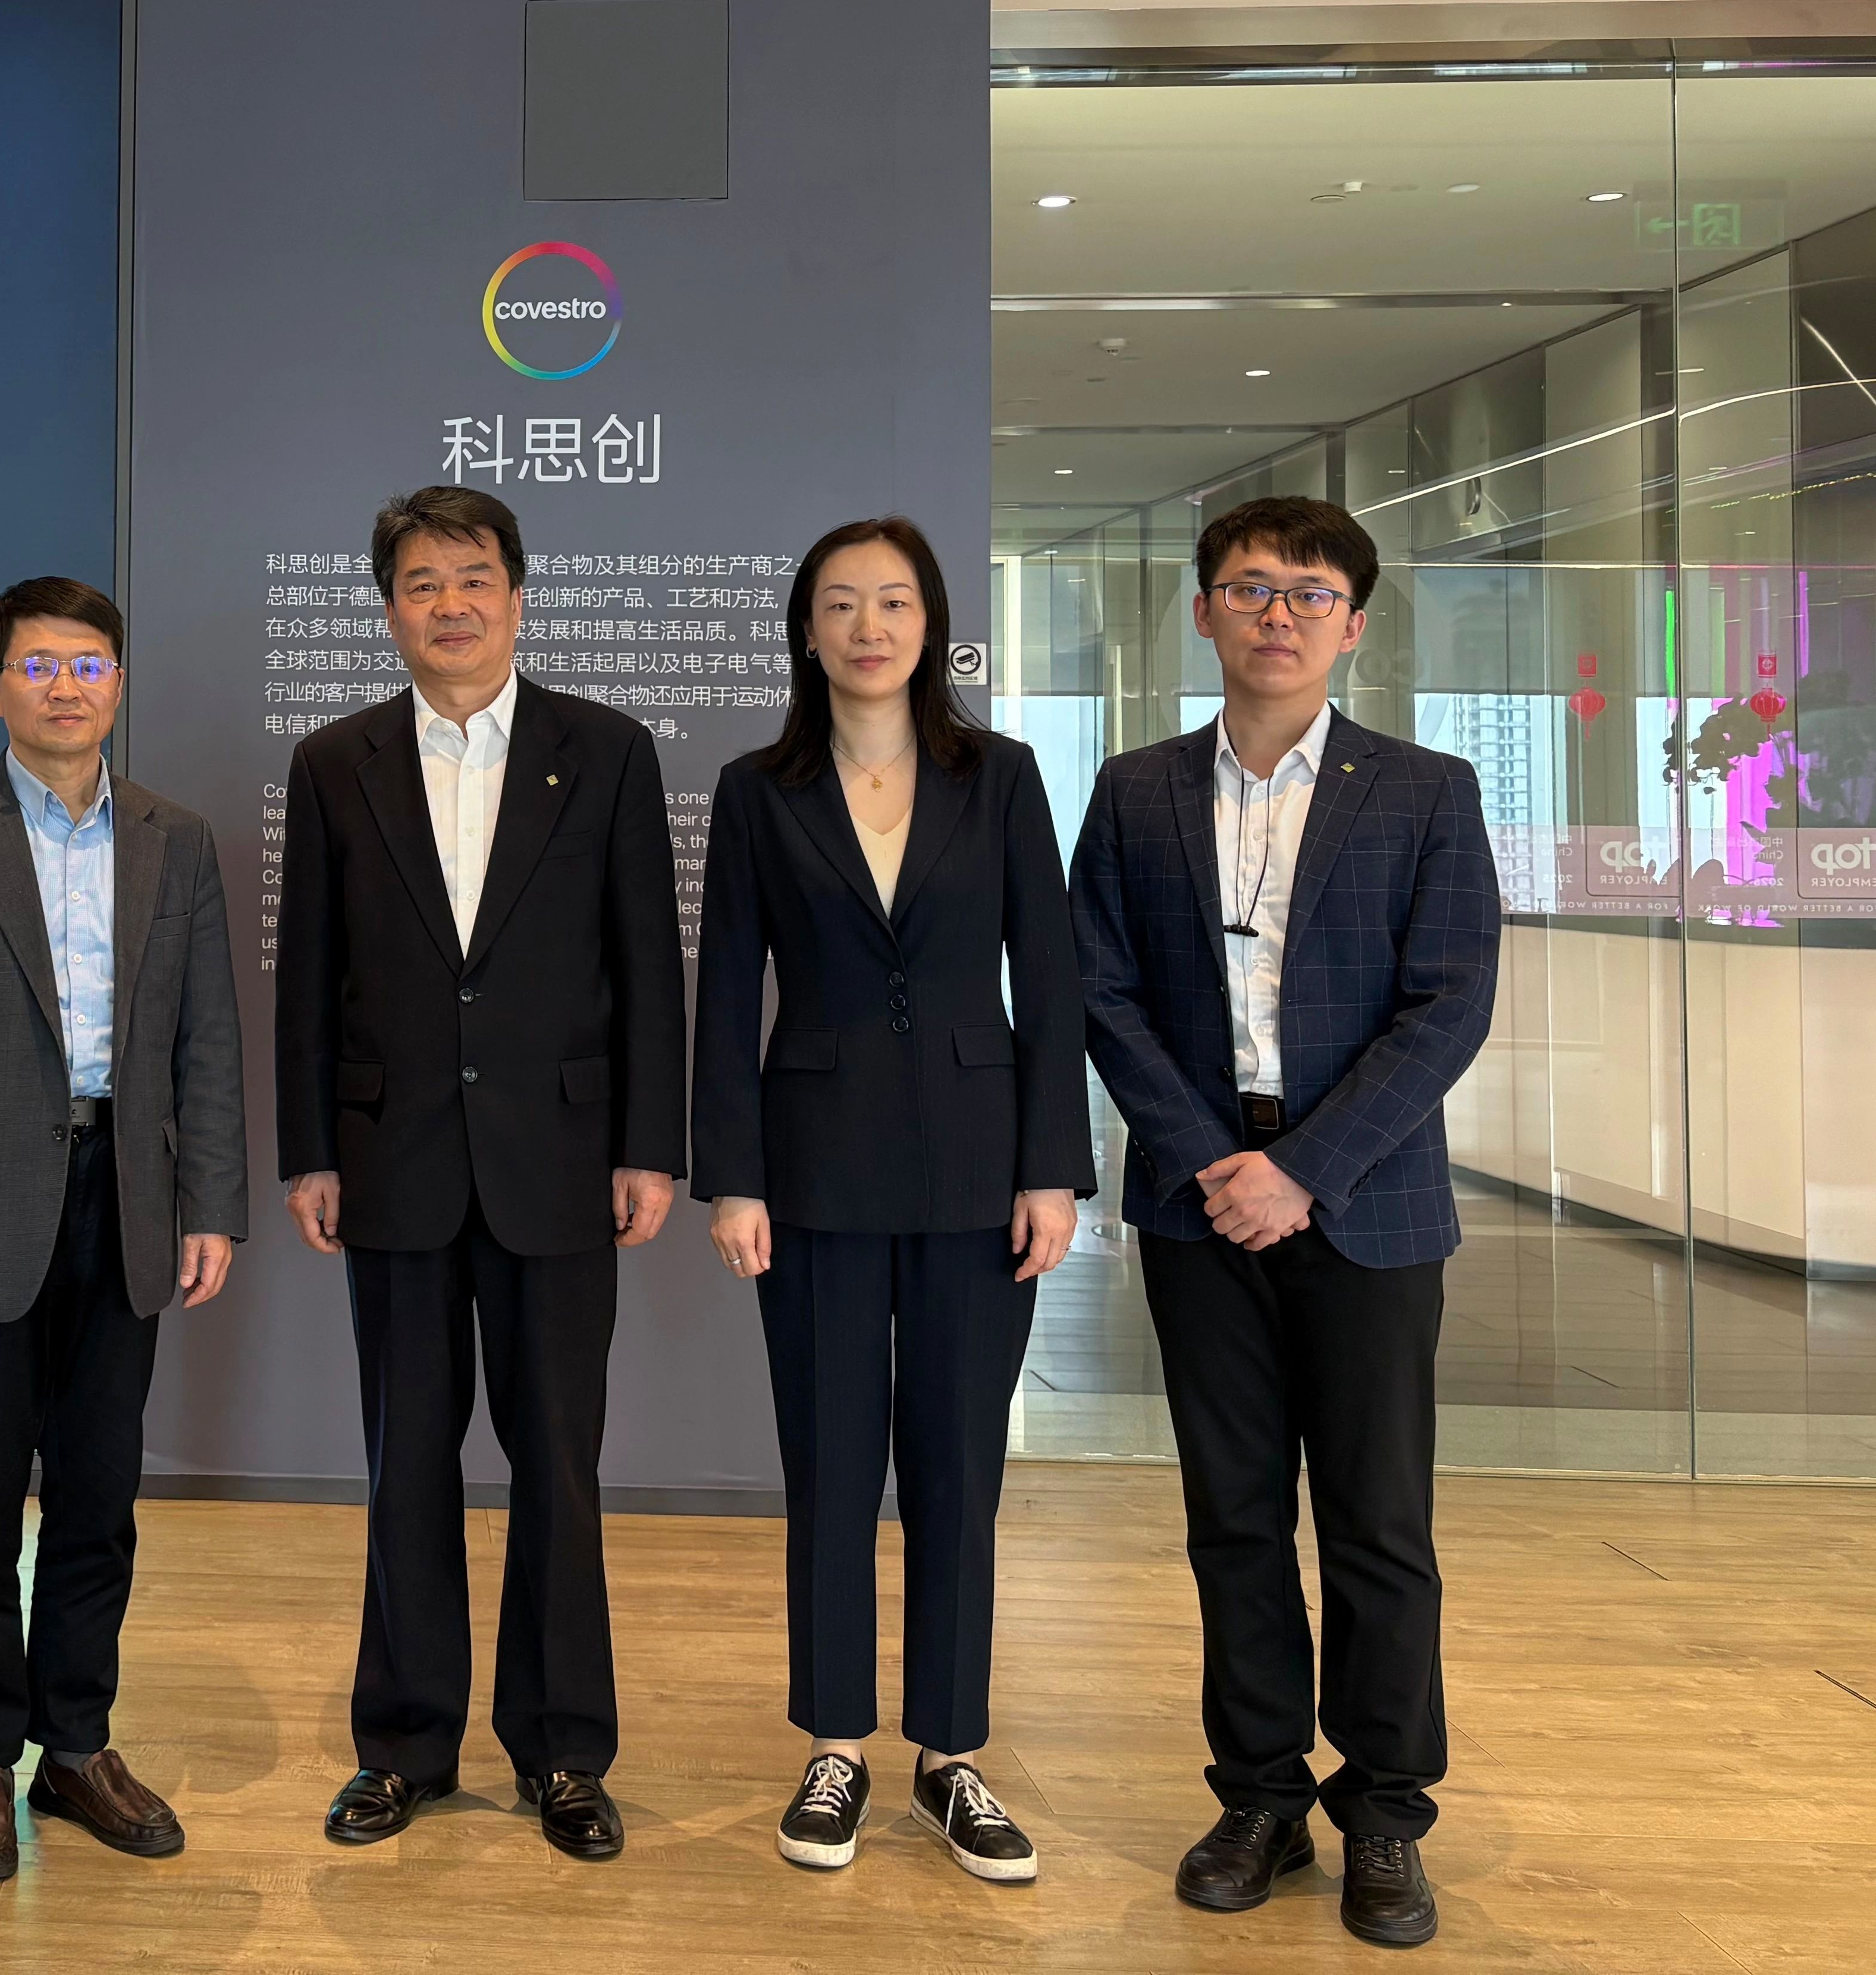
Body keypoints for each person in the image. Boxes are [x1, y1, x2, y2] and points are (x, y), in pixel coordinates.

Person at [1069, 495, 1499, 1951]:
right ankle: (1258, 1793)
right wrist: (1215, 1163)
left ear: (1353, 625)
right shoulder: (1133, 792)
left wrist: (1304, 1169)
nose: (1278, 614)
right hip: (1203, 1209)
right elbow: (1099, 989)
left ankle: (1385, 1810)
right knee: (1233, 1517)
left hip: (1368, 1203)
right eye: (1250, 587)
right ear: (1204, 612)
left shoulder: (1426, 790)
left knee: (1378, 1521)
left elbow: (1449, 1006)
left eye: (1310, 593)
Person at [274, 483, 683, 1864]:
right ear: (388, 609)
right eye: (421, 584)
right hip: (390, 1159)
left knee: (558, 1464)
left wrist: (649, 1144)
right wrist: (310, 1148)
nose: (450, 605)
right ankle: (402, 1746)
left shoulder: (605, 750)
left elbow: (648, 962)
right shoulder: (335, 762)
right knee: (406, 1459)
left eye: (473, 579)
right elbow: (309, 974)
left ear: (517, 594)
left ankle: (565, 1752)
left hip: (560, 1160)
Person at [691, 517, 1087, 1885]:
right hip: (811, 1172)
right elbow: (726, 988)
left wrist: (1052, 1166)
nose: (871, 626)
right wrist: (732, 1176)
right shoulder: (758, 790)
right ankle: (837, 1745)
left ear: (933, 627)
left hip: (982, 1168)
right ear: (807, 632)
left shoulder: (1003, 776)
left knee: (959, 1474)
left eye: (896, 602)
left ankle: (952, 1755)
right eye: (843, 604)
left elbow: (1052, 976)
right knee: (830, 1470)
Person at [0, 576, 246, 1884]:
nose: (65, 685)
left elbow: (205, 1040)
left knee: (98, 1495)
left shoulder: (176, 838)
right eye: (38, 664)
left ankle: (75, 1746)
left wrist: (211, 1203)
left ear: (118, 682)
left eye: (88, 664)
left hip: (126, 1199)